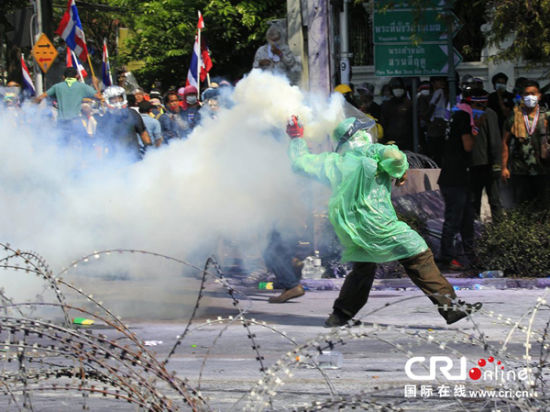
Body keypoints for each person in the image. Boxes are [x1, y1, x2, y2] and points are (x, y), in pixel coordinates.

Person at [286, 115, 482, 326]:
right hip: (378, 222)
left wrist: (296, 137)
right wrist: (400, 171)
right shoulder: (372, 152)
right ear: (357, 136)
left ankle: (340, 315)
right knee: (418, 253)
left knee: (363, 268)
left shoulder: (332, 162)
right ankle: (450, 307)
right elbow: (394, 157)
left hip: (350, 227)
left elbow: (300, 162)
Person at [437, 91, 478, 270]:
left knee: (467, 218)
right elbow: (468, 145)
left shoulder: (457, 117)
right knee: (454, 218)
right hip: (454, 179)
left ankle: (469, 255)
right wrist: (477, 130)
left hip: (459, 177)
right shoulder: (463, 119)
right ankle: (447, 257)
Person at [501, 80, 550, 208]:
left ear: (539, 96)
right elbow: (505, 142)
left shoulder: (547, 116)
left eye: (533, 94)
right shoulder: (515, 117)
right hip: (520, 171)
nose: (530, 97)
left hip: (544, 169)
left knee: (544, 208)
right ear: (522, 97)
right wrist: (504, 167)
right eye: (527, 94)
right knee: (523, 208)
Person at [34, 67, 102, 140]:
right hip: (76, 121)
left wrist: (32, 104)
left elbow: (40, 98)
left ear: (63, 77)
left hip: (61, 123)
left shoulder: (57, 87)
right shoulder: (82, 86)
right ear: (76, 76)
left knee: (62, 146)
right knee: (85, 143)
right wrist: (95, 84)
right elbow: (99, 97)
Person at [468, 91, 503, 219]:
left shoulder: (467, 114)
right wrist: (497, 163)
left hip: (475, 163)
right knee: (494, 199)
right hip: (487, 163)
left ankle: (474, 230)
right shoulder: (489, 113)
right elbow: (494, 140)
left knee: (474, 200)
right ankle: (499, 231)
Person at [96, 85, 152, 161]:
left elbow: (143, 132)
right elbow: (100, 143)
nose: (117, 100)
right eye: (113, 98)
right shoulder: (103, 120)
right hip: (115, 160)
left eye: (119, 97)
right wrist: (100, 161)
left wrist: (149, 150)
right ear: (107, 100)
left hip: (135, 157)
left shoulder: (132, 113)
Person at [380, 77, 413, 150]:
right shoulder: (387, 105)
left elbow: (414, 124)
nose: (397, 90)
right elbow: (383, 123)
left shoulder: (409, 104)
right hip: (391, 140)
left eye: (399, 87)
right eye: (395, 88)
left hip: (407, 140)